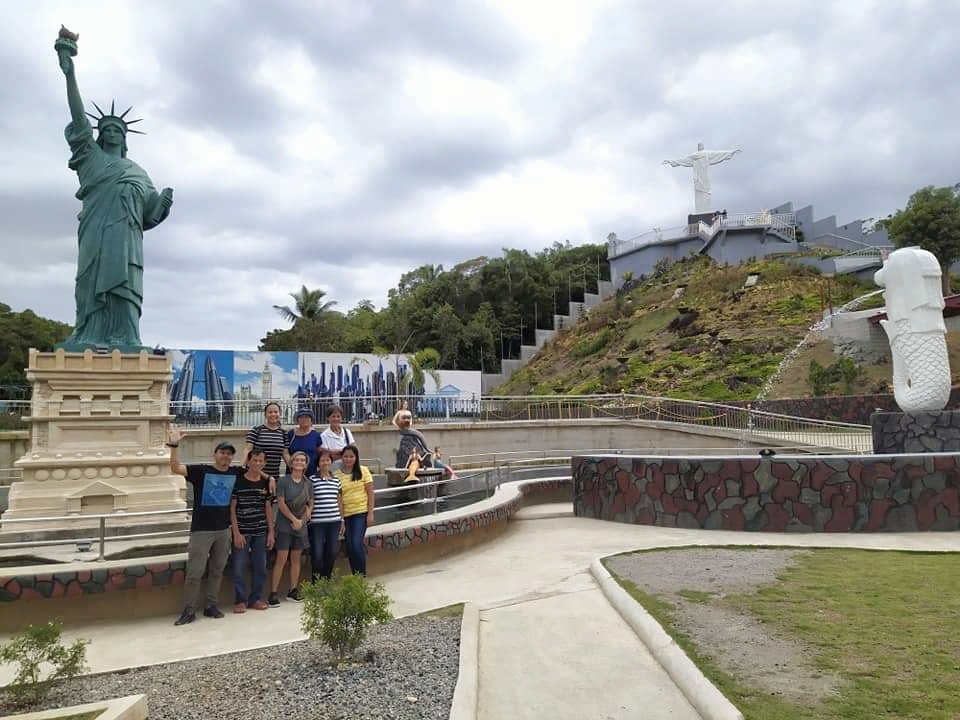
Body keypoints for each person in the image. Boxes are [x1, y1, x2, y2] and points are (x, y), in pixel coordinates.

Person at [54, 27, 173, 352]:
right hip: (96, 233)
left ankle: (127, 337)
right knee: (89, 281)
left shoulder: (137, 172)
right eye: (105, 129)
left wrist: (162, 203)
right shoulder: (91, 159)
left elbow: (149, 214)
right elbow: (79, 118)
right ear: (99, 135)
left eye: (117, 130)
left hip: (126, 240)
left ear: (124, 137)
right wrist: (69, 72)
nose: (111, 133)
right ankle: (87, 334)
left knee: (126, 284)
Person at [167, 425, 244, 626]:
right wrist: (173, 445)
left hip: (224, 530)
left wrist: (269, 479)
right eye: (222, 452)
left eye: (229, 454)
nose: (226, 456)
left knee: (217, 571)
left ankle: (211, 606)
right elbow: (175, 468)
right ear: (215, 454)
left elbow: (255, 469)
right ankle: (189, 610)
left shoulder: (235, 473)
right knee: (195, 573)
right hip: (201, 531)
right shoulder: (201, 471)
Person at [229, 448, 275, 613]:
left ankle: (255, 598)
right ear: (248, 461)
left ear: (265, 463)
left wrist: (271, 532)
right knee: (238, 567)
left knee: (261, 567)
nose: (257, 463)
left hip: (260, 531)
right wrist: (236, 533)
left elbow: (268, 508)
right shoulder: (238, 481)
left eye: (260, 460)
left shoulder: (266, 483)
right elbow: (232, 508)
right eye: (254, 460)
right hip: (242, 531)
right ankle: (240, 600)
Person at [268, 451, 313, 605]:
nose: (299, 462)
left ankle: (293, 590)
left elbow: (311, 503)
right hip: (285, 525)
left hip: (300, 525)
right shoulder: (283, 481)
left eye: (302, 460)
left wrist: (305, 516)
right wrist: (294, 520)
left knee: (296, 559)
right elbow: (281, 503)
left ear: (306, 464)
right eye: (297, 460)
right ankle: (273, 592)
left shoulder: (308, 483)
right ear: (291, 463)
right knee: (281, 559)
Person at [335, 445, 375, 576]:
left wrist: (370, 514)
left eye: (351, 456)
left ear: (356, 457)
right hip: (346, 515)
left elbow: (370, 493)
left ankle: (361, 576)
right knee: (350, 546)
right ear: (342, 458)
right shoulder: (337, 475)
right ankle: (355, 576)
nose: (348, 459)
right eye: (346, 456)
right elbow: (338, 498)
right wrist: (341, 519)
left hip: (360, 513)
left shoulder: (363, 471)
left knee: (356, 544)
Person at [308, 450, 344, 582]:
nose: (325, 462)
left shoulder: (336, 480)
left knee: (331, 552)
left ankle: (326, 581)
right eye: (322, 460)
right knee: (317, 553)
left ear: (331, 462)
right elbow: (310, 500)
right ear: (318, 463)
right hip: (317, 522)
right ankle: (316, 583)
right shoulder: (312, 479)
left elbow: (339, 501)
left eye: (327, 460)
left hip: (334, 521)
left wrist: (342, 520)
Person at [243, 402, 286, 490]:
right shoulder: (256, 430)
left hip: (274, 477)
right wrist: (241, 467)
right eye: (270, 412)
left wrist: (297, 468)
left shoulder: (283, 433)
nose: (273, 414)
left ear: (280, 413)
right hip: (255, 476)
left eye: (276, 412)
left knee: (271, 498)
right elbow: (247, 449)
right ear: (265, 414)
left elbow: (286, 454)